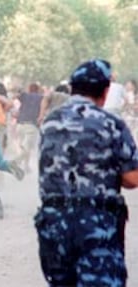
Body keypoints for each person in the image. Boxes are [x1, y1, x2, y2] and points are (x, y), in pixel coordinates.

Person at [35, 59, 138, 286]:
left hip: (53, 224)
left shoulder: (50, 122)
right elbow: (132, 178)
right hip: (96, 223)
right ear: (105, 90)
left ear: (72, 88)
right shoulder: (110, 123)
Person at [14, 82, 43, 173]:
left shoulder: (25, 96)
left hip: (20, 124)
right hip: (32, 125)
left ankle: (25, 166)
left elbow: (17, 95)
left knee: (22, 146)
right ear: (38, 89)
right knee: (27, 148)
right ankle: (17, 162)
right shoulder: (41, 98)